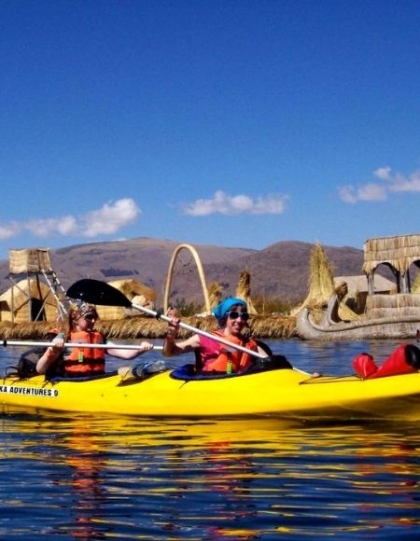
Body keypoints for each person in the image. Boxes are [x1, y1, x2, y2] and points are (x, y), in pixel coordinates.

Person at [36, 301, 154, 378]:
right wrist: (53, 350)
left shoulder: (98, 338)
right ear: (75, 318)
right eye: (89, 317)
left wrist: (140, 349)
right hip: (69, 382)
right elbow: (40, 369)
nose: (93, 321)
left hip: (95, 381)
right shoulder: (62, 338)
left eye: (95, 317)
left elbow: (126, 354)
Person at [162, 297, 269, 374]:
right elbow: (169, 352)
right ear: (224, 318)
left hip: (237, 387)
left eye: (244, 316)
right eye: (234, 315)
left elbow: (271, 363)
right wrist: (171, 335)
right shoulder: (205, 338)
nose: (239, 320)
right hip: (210, 385)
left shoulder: (250, 345)